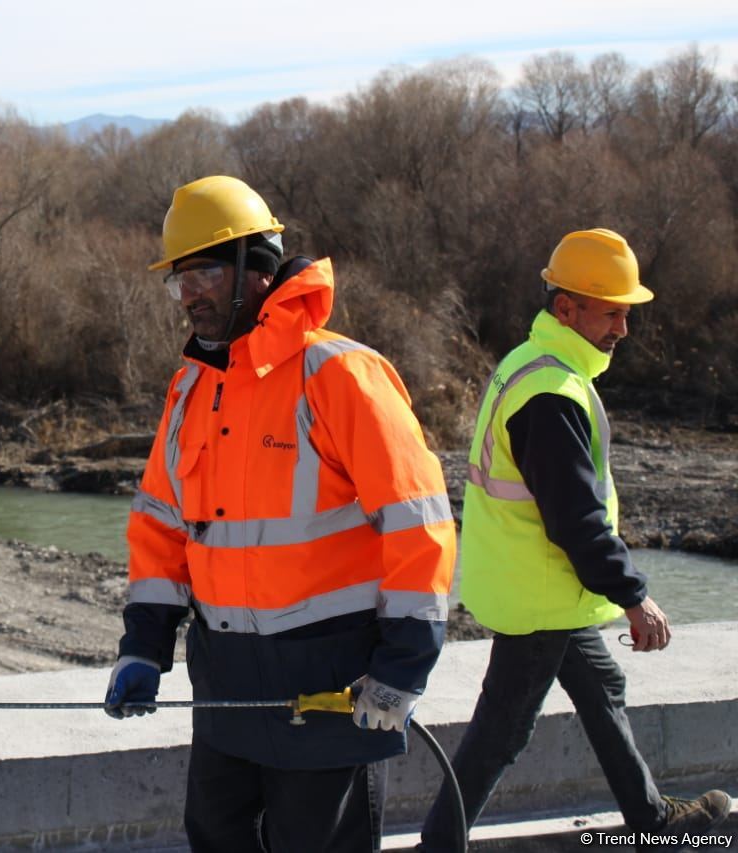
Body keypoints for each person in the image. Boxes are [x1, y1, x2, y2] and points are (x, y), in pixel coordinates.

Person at [102, 175, 457, 852]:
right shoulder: (192, 386)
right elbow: (160, 524)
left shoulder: (341, 374)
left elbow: (419, 524)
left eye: (204, 272)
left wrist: (403, 667)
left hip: (328, 687)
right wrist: (143, 644)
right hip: (225, 688)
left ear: (254, 268)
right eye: (179, 281)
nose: (190, 295)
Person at [417, 228, 732, 852]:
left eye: (626, 312)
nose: (623, 328)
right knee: (501, 733)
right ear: (568, 308)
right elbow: (576, 521)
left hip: (546, 589)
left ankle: (651, 820)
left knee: (601, 689)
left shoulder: (534, 363)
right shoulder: (551, 394)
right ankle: (437, 847)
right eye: (612, 312)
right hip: (541, 594)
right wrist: (634, 596)